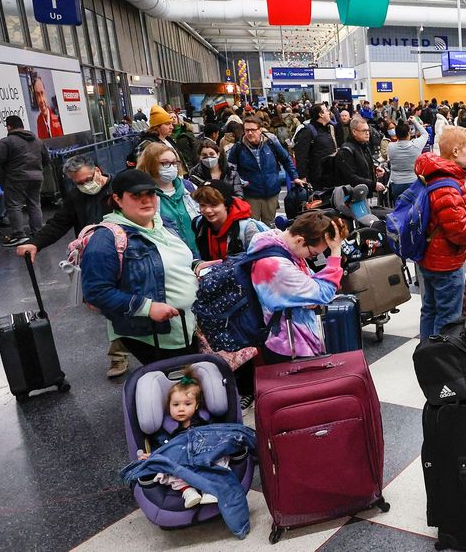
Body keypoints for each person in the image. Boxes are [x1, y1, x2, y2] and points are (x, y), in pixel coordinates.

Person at [15, 156, 127, 376]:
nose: (85, 185)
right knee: (112, 308)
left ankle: (132, 351)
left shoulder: (120, 187)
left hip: (127, 252)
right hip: (97, 259)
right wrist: (35, 243)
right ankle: (119, 354)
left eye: (87, 179)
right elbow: (59, 223)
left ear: (97, 170)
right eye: (78, 183)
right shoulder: (76, 197)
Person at [81, 169, 200, 366]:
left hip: (188, 326)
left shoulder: (163, 224)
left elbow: (177, 260)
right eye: (136, 195)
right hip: (156, 336)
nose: (146, 200)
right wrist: (147, 307)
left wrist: (197, 265)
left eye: (150, 193)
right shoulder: (105, 239)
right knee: (176, 383)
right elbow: (96, 292)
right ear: (118, 199)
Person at [415, 127, 466, 339]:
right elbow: (458, 231)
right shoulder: (447, 186)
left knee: (430, 310)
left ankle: (426, 352)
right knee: (447, 317)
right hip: (445, 263)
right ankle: (440, 355)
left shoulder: (431, 175)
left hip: (428, 255)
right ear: (456, 151)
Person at [247, 212, 348, 360]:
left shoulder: (284, 247)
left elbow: (315, 285)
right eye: (313, 254)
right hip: (288, 347)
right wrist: (335, 252)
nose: (310, 258)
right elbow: (324, 293)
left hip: (296, 339)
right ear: (300, 240)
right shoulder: (275, 265)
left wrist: (313, 294)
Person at [136, 369, 230, 509]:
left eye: (187, 404)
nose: (181, 409)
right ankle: (188, 492)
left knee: (217, 461)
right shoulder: (165, 429)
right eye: (176, 405)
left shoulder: (205, 421)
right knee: (168, 468)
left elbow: (217, 437)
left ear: (196, 405)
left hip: (203, 458)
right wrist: (152, 456)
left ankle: (209, 490)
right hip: (181, 462)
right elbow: (162, 448)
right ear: (168, 406)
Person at [228, 115, 301, 226]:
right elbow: (231, 170)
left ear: (260, 130)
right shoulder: (238, 147)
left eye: (253, 130)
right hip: (251, 194)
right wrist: (240, 183)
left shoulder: (271, 142)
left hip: (271, 192)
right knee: (253, 226)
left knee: (269, 225)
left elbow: (286, 159)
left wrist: (295, 177)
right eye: (247, 130)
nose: (250, 133)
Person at [0, 115, 50, 247]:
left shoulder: (7, 141)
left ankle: (19, 235)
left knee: (14, 205)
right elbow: (47, 159)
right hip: (37, 177)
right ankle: (37, 232)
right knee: (34, 204)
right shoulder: (37, 140)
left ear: (9, 127)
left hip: (16, 178)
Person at [138, 143, 200, 254]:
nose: (171, 167)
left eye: (174, 163)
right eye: (165, 163)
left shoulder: (189, 187)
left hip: (200, 253)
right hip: (170, 255)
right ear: (150, 164)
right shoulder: (143, 196)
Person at [191, 181, 268, 262]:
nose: (207, 210)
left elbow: (262, 261)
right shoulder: (199, 224)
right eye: (202, 205)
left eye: (214, 204)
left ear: (226, 204)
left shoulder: (246, 229)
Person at [333, 116, 385, 194]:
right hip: (353, 195)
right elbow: (350, 177)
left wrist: (374, 169)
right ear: (354, 132)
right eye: (364, 130)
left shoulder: (364, 146)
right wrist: (373, 185)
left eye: (368, 130)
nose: (367, 133)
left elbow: (361, 165)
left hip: (364, 193)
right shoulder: (346, 151)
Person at [385, 115, 429, 202]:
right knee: (414, 207)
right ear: (408, 133)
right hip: (413, 182)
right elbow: (425, 134)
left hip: (396, 183)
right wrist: (415, 122)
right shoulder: (416, 145)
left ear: (396, 134)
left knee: (399, 207)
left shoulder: (390, 146)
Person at [293, 104, 338, 189]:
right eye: (326, 110)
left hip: (330, 175)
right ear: (321, 114)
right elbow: (301, 155)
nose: (329, 112)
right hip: (317, 177)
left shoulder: (328, 128)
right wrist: (302, 176)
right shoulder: (308, 131)